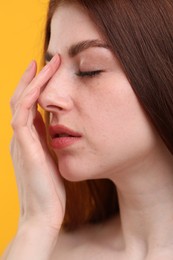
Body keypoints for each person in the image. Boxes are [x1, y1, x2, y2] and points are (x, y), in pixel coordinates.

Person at [2, 0, 173, 259]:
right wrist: (34, 224)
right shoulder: (46, 250)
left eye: (88, 70)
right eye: (50, 70)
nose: (47, 97)